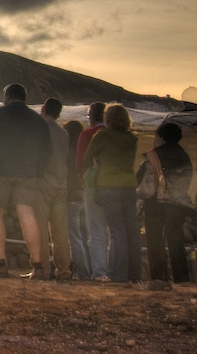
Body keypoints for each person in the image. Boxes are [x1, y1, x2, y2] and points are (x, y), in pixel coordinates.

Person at [0, 83, 51, 278]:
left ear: (8, 97)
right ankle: (38, 266)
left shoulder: (0, 115)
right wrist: (37, 171)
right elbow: (46, 152)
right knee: (27, 214)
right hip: (28, 173)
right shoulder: (37, 120)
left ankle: (1, 263)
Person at [83, 103, 141, 283]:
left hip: (107, 185)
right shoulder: (132, 139)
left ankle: (119, 274)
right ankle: (135, 273)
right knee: (132, 231)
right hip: (129, 185)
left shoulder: (101, 136)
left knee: (117, 232)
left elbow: (87, 158)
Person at [138, 121, 193, 282]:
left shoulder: (152, 156)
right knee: (175, 239)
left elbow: (139, 179)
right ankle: (181, 278)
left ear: (160, 137)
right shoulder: (185, 157)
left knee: (154, 241)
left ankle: (158, 277)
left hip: (154, 203)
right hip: (177, 204)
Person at [35, 98, 71, 280]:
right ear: (58, 115)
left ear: (42, 109)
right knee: (60, 231)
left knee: (40, 228)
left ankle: (42, 268)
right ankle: (64, 270)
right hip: (60, 184)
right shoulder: (63, 133)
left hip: (42, 184)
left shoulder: (38, 130)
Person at [76, 101, 111, 281]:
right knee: (115, 231)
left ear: (91, 117)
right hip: (115, 185)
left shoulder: (88, 134)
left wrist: (83, 179)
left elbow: (81, 161)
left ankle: (100, 271)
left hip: (94, 185)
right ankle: (115, 270)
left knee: (96, 230)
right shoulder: (115, 134)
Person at [63, 119, 90, 279]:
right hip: (85, 195)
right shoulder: (85, 150)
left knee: (75, 237)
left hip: (71, 196)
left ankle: (82, 272)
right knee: (87, 236)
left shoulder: (66, 152)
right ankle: (92, 270)